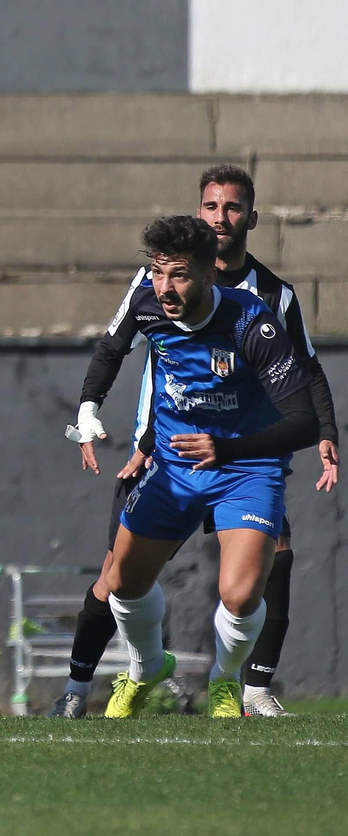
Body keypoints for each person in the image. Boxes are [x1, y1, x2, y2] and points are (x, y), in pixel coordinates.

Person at [54, 165, 337, 719]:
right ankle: (145, 665)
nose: (164, 289)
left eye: (177, 276)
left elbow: (302, 418)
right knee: (123, 583)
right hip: (173, 462)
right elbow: (111, 350)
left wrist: (231, 449)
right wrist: (89, 411)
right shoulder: (148, 300)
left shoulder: (256, 319)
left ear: (210, 274)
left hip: (245, 465)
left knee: (240, 592)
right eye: (157, 274)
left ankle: (230, 681)